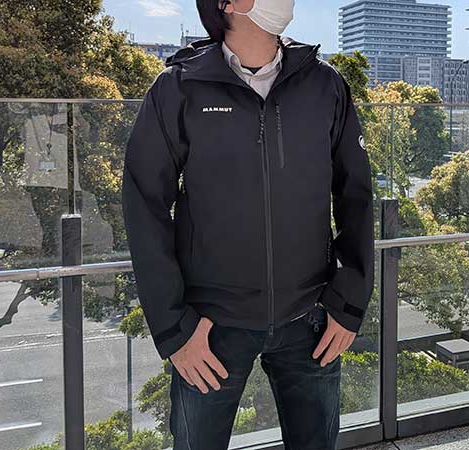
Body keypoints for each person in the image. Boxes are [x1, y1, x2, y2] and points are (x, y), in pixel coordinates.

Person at [121, 0, 375, 448]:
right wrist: (174, 330)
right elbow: (144, 206)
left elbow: (355, 195)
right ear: (228, 4)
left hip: (311, 321)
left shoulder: (325, 85)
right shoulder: (179, 87)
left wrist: (348, 304)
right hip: (209, 329)